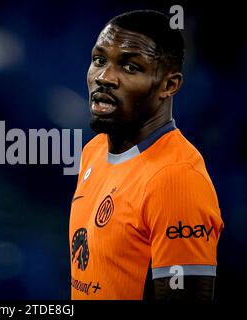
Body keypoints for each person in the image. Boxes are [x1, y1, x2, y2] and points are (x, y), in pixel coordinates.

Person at [69, 10, 224, 300]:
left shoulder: (176, 180)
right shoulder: (94, 151)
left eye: (130, 67)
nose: (104, 77)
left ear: (169, 85)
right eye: (99, 60)